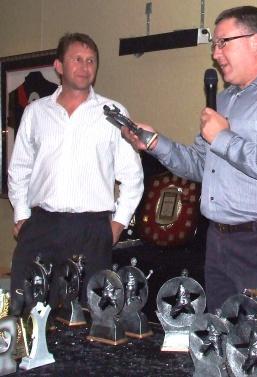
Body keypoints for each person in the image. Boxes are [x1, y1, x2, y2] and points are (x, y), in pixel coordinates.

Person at [122, 6, 257, 313]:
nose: (215, 54)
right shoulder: (225, 101)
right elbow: (201, 165)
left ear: (256, 41)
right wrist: (154, 143)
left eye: (222, 42)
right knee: (219, 343)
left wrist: (224, 137)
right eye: (214, 45)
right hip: (218, 241)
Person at [8, 32, 144, 315]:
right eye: (77, 59)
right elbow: (19, 168)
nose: (85, 66)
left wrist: (117, 224)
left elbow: (133, 177)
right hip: (41, 225)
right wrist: (21, 215)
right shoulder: (36, 112)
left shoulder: (113, 113)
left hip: (92, 230)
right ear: (58, 66)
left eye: (91, 60)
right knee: (26, 309)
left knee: (90, 314)